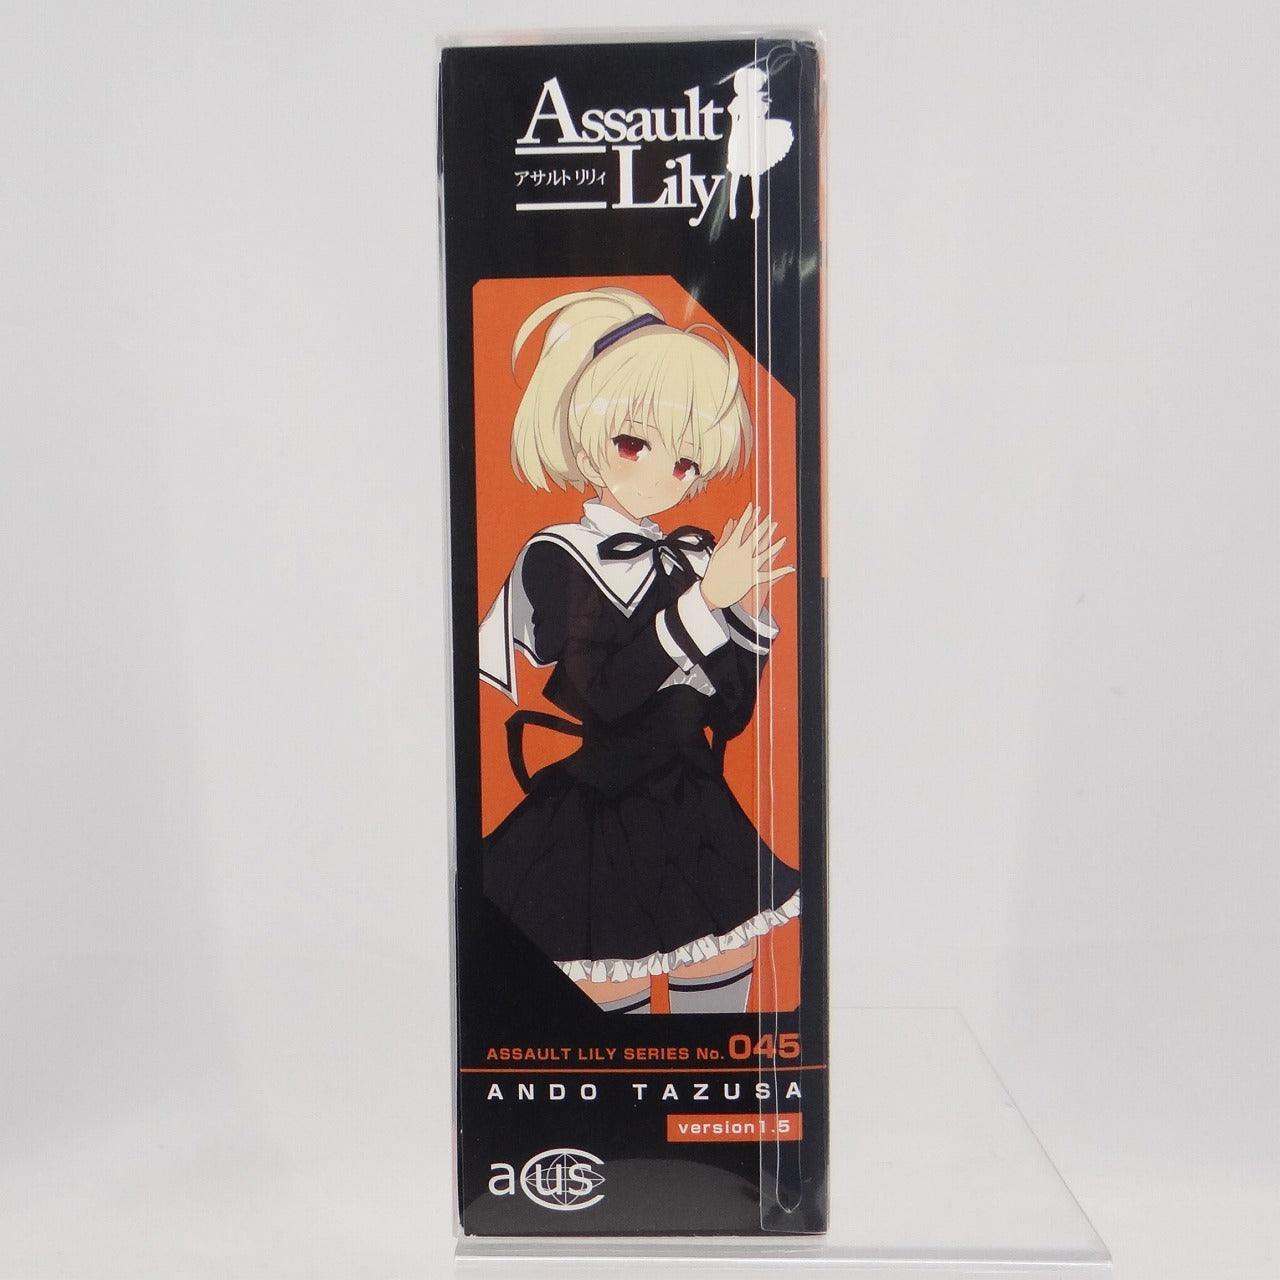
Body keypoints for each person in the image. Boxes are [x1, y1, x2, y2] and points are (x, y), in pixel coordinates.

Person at [478, 285, 800, 1013]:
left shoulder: (692, 562)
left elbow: (730, 714)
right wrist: (706, 604)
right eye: (635, 443)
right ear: (582, 435)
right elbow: (607, 692)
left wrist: (747, 617)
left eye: (688, 464)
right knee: (607, 988)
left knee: (720, 989)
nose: (665, 475)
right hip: (600, 813)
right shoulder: (557, 555)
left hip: (695, 806)